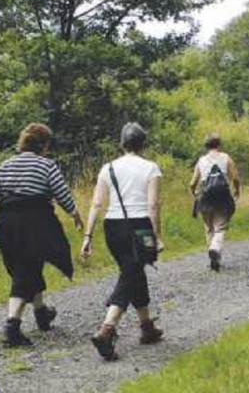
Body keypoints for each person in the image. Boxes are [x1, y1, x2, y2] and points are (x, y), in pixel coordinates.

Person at [0, 123, 84, 347]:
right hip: (36, 222)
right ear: (44, 145)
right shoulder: (46, 165)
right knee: (26, 269)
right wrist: (75, 215)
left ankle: (41, 312)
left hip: (7, 223)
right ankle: (12, 326)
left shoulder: (5, 165)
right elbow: (62, 193)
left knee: (27, 266)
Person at [83, 123, 165, 361]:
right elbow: (153, 205)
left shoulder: (107, 168)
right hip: (140, 225)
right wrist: (157, 235)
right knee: (131, 272)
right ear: (143, 144)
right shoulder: (151, 168)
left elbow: (96, 204)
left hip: (113, 227)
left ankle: (147, 327)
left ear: (122, 144)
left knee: (132, 270)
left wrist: (88, 236)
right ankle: (107, 329)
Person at [189, 134, 241, 271]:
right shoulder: (225, 158)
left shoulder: (201, 160)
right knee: (221, 227)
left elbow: (192, 182)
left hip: (205, 197)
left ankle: (213, 256)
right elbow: (235, 178)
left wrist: (194, 192)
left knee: (209, 228)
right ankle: (215, 249)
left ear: (206, 146)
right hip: (223, 197)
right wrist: (237, 190)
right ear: (219, 145)